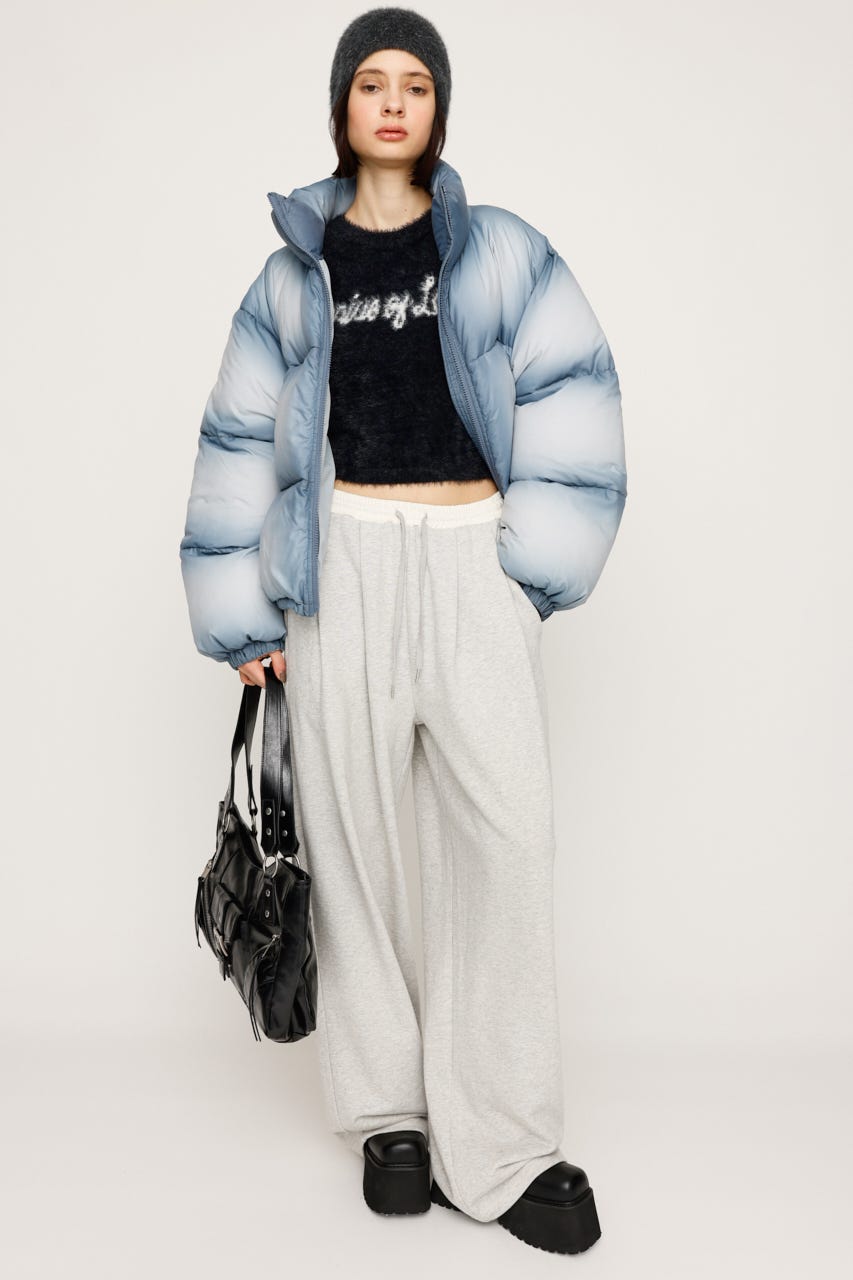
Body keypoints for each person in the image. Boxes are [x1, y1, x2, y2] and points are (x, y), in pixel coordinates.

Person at [180, 5, 626, 1255]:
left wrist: (530, 574)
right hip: (341, 570)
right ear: (342, 105)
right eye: (370, 81)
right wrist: (239, 617)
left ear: (438, 108)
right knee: (355, 845)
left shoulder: (502, 249)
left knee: (506, 844)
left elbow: (575, 389)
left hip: (471, 555)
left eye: (413, 83)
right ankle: (389, 1119)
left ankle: (505, 1140)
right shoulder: (291, 272)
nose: (391, 101)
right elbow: (237, 435)